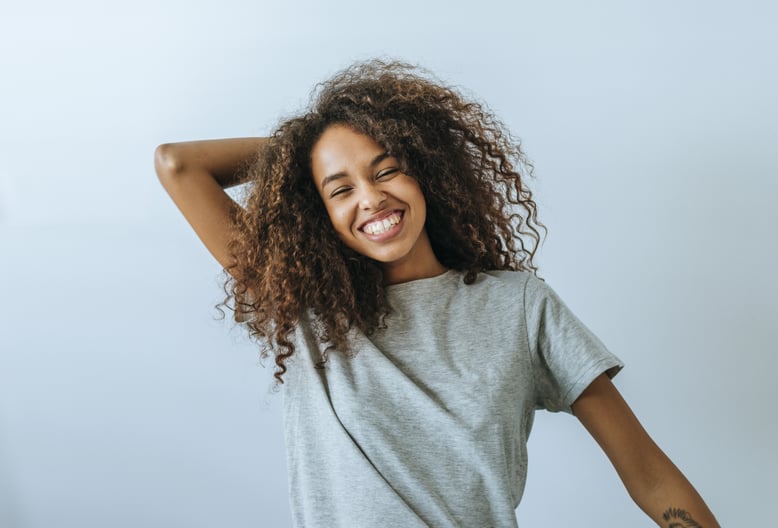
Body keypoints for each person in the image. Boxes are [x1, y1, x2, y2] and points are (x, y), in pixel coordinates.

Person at [155, 59, 719, 527]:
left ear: (426, 171)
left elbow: (647, 473)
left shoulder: (520, 306)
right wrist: (307, 147)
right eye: (340, 188)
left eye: (387, 169)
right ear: (318, 213)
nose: (370, 198)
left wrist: (336, 150)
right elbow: (178, 165)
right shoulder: (309, 308)